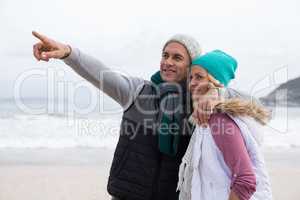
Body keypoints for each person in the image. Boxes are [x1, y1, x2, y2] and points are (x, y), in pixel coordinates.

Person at [32, 31, 251, 200]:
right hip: (127, 195)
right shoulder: (138, 92)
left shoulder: (199, 103)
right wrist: (69, 53)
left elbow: (253, 107)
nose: (168, 62)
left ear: (191, 66)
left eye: (177, 57)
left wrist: (213, 93)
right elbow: (100, 73)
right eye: (165, 55)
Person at [176, 50, 273, 200]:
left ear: (217, 83)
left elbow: (245, 181)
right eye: (191, 77)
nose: (192, 83)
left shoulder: (219, 120)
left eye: (199, 77)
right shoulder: (204, 118)